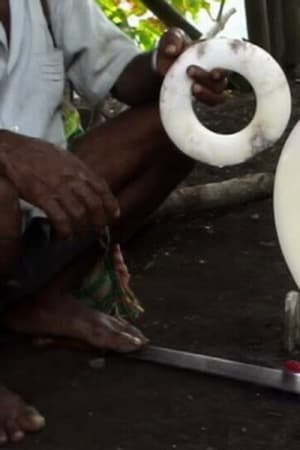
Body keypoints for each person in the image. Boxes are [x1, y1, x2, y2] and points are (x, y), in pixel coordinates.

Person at [0, 0, 227, 445]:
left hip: (38, 216)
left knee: (174, 123)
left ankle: (42, 301)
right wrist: (7, 150)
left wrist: (165, 67)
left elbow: (122, 74)